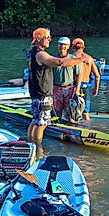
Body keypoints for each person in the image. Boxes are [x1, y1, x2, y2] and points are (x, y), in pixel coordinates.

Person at [26, 28, 87, 157]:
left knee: (35, 121)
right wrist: (80, 60)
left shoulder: (33, 53)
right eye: (47, 37)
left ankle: (30, 147)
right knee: (41, 124)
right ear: (38, 39)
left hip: (37, 94)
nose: (50, 39)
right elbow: (59, 62)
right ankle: (38, 152)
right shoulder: (40, 54)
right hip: (42, 95)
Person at [48, 37, 82, 122]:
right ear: (57, 45)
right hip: (56, 88)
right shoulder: (52, 59)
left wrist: (77, 90)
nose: (62, 46)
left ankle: (72, 129)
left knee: (70, 112)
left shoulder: (73, 59)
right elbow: (49, 76)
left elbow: (78, 75)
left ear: (68, 46)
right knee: (56, 112)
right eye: (61, 44)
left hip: (69, 88)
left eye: (65, 45)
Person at [71, 38, 100, 122]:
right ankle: (89, 129)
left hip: (74, 86)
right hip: (86, 87)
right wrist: (96, 89)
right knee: (85, 113)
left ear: (73, 46)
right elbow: (97, 76)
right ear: (83, 47)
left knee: (72, 112)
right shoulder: (89, 59)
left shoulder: (71, 58)